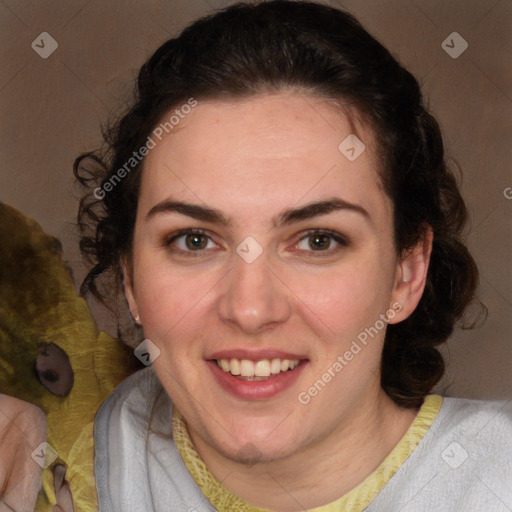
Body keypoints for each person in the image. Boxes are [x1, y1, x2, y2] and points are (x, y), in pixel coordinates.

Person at [74, 1, 512, 510]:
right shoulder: (80, 455)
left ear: (406, 273)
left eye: (318, 240)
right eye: (194, 240)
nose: (251, 309)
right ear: (130, 278)